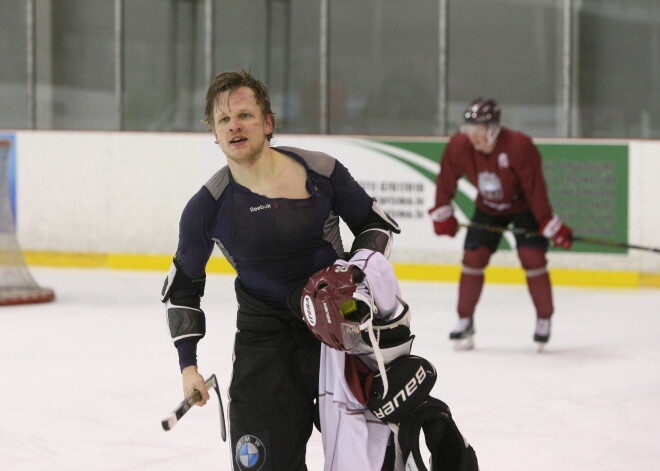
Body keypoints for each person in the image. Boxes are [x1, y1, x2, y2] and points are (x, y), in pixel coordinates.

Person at [160, 68, 403, 470]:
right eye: (224, 120)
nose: (234, 126)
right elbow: (184, 286)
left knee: (374, 461)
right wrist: (189, 366)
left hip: (340, 334)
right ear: (214, 134)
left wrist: (353, 279)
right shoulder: (207, 208)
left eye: (245, 115)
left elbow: (377, 227)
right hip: (265, 344)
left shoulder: (321, 171)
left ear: (268, 123)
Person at [428, 97, 573, 349]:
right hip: (487, 207)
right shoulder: (460, 145)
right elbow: (446, 178)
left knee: (533, 258)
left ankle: (543, 318)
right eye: (469, 130)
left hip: (523, 207)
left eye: (480, 131)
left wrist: (546, 220)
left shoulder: (519, 146)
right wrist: (443, 210)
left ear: (494, 128)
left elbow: (535, 188)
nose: (473, 136)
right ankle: (464, 319)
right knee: (473, 258)